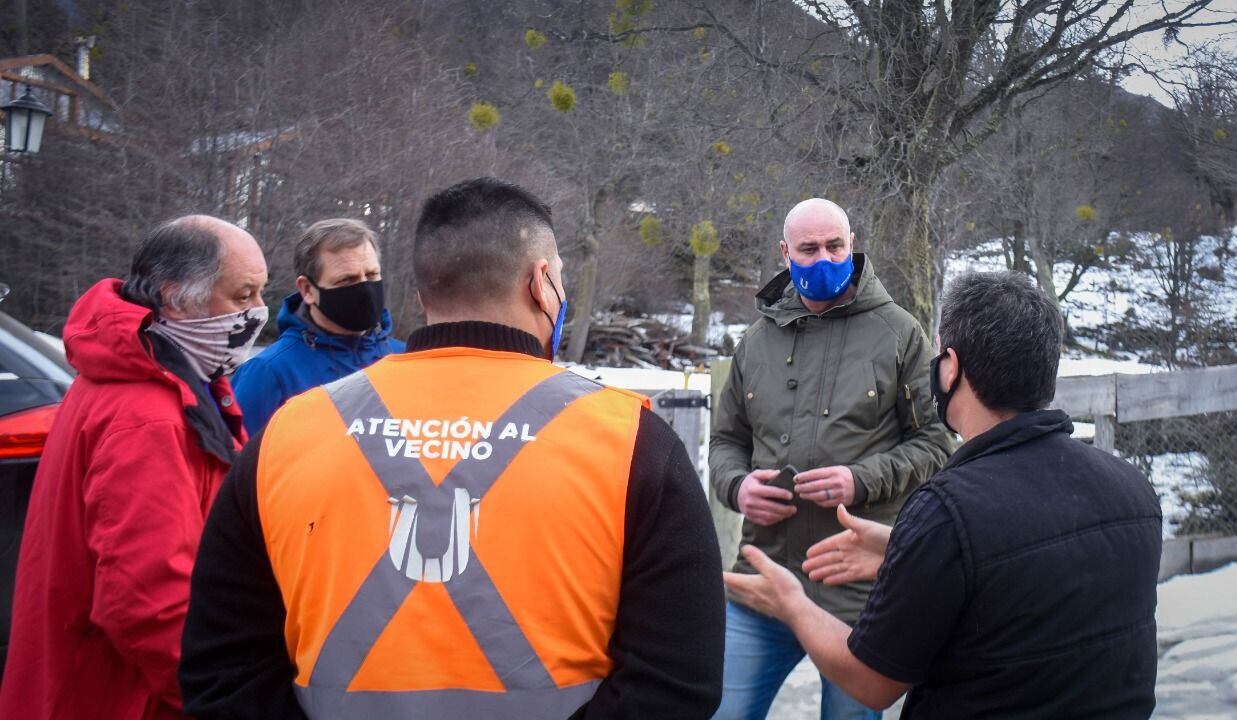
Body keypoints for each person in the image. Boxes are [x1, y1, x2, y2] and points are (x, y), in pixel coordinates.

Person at [179, 177, 725, 719]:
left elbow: (223, 668)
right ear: (542, 283)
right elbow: (677, 681)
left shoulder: (289, 431)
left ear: (422, 294)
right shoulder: (632, 438)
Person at [725, 271, 1164, 719]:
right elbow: (1029, 576)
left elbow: (872, 684)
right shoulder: (1134, 491)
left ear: (950, 368)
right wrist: (906, 547)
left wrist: (791, 603)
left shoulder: (948, 512)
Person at [0, 216, 269, 720]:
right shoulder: (147, 415)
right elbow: (148, 603)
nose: (258, 313)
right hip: (120, 696)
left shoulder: (176, 380)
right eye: (243, 295)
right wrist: (222, 697)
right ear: (176, 298)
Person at [709, 198, 952, 719]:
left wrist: (860, 480)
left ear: (852, 245)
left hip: (858, 589)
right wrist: (738, 488)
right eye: (809, 248)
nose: (824, 259)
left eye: (835, 246)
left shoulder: (900, 333)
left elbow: (936, 442)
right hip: (764, 574)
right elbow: (725, 443)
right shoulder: (754, 342)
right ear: (785, 252)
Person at [232, 218, 405, 436]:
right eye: (347, 280)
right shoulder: (269, 373)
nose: (365, 289)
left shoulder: (407, 358)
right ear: (307, 290)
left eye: (372, 275)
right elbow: (236, 465)